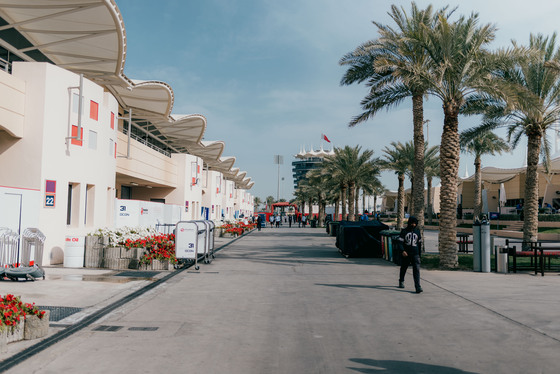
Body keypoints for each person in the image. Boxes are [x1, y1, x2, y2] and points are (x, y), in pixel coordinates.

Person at [397, 216, 423, 294]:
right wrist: (402, 251)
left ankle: (417, 287)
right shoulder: (404, 231)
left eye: (415, 223)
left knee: (416, 270)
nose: (413, 225)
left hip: (415, 254)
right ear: (409, 223)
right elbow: (400, 243)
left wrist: (419, 255)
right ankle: (401, 280)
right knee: (404, 268)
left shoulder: (417, 232)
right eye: (412, 223)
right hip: (406, 254)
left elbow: (419, 244)